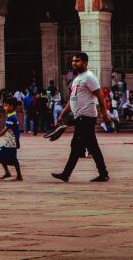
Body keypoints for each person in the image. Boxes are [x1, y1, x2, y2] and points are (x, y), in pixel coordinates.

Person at [51, 51, 110, 183]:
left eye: (77, 61)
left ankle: (66, 174)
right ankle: (103, 173)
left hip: (86, 116)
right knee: (90, 146)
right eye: (73, 61)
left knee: (77, 145)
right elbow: (73, 99)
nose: (74, 63)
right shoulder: (77, 79)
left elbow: (100, 97)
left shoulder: (89, 77)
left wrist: (105, 114)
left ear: (85, 63)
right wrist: (62, 114)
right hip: (80, 117)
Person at [0, 96, 22, 181]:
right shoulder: (11, 115)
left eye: (6, 105)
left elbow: (5, 130)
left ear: (11, 106)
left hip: (11, 142)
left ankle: (18, 176)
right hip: (10, 140)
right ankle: (9, 173)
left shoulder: (12, 117)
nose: (4, 107)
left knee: (7, 158)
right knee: (4, 157)